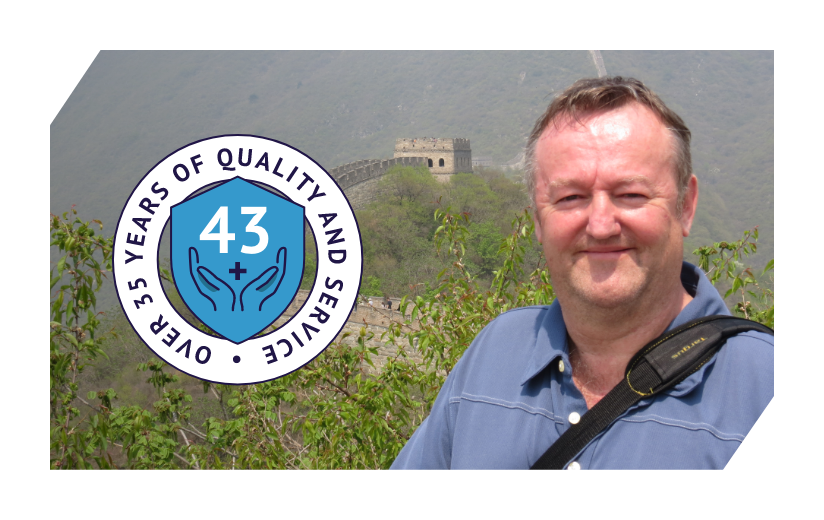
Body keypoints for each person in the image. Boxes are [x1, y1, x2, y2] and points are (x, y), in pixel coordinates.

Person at [391, 77, 773, 470]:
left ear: (686, 206)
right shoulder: (492, 357)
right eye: (570, 197)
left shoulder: (760, 388)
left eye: (631, 194)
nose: (601, 225)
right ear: (538, 218)